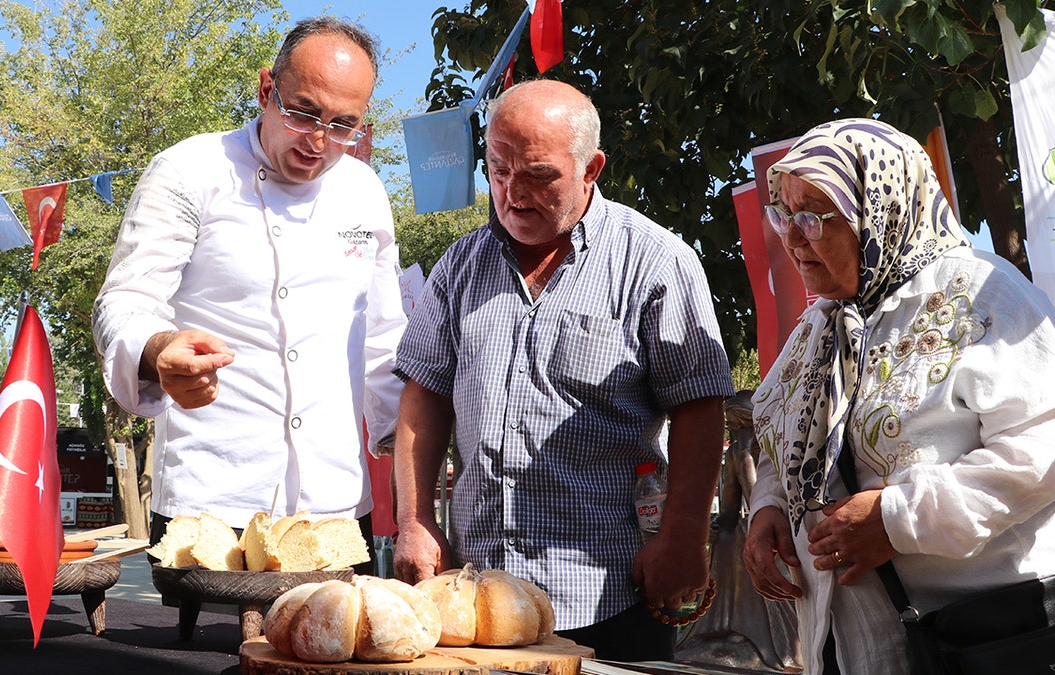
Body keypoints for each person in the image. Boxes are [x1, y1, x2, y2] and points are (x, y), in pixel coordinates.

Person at [391, 79, 734, 661]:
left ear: (590, 168)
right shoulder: (461, 265)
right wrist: (415, 519)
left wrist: (683, 535)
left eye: (538, 174)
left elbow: (699, 407)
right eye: (497, 169)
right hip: (477, 602)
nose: (512, 192)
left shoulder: (655, 261)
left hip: (609, 593)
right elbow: (425, 398)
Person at [741, 118, 1055, 674]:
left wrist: (897, 519)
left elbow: (1041, 449)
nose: (791, 236)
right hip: (851, 646)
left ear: (878, 212)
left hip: (983, 639)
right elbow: (783, 434)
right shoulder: (822, 326)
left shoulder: (983, 296)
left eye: (814, 216)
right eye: (784, 213)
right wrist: (769, 504)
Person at [91, 17, 407, 563]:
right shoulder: (189, 170)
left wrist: (404, 454)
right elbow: (124, 301)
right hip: (210, 494)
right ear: (266, 89)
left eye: (342, 125)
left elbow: (381, 335)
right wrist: (157, 350)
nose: (319, 141)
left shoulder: (365, 191)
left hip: (333, 503)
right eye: (303, 112)